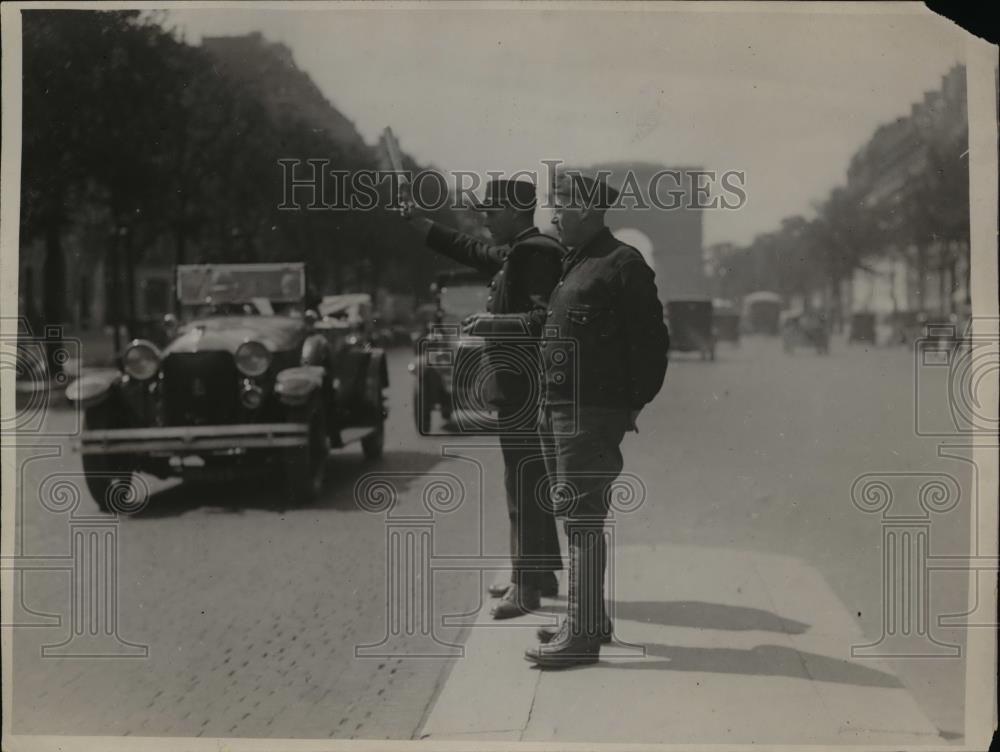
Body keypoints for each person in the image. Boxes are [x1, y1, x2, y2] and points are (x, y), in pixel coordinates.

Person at [400, 178, 565, 619]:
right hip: (523, 386)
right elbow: (468, 249)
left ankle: (526, 587)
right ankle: (542, 574)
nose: (483, 219)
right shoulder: (524, 250)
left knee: (523, 485)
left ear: (516, 211)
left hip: (524, 387)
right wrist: (419, 223)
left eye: (491, 211)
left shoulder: (535, 253)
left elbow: (541, 318)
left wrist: (491, 325)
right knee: (529, 480)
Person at [524, 172, 670, 668]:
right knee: (573, 515)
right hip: (559, 409)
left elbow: (652, 345)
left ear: (587, 209)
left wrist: (632, 405)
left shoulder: (621, 264)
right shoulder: (578, 263)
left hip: (589, 414)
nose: (553, 215)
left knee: (583, 517)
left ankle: (581, 636)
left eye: (560, 205)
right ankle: (588, 621)